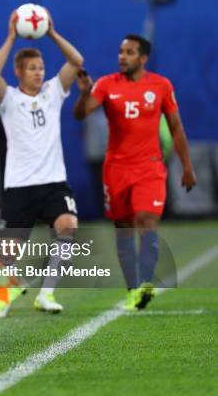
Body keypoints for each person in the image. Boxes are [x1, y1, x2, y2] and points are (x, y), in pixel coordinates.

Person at [73, 34, 196, 310]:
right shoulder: (106, 84)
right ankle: (133, 290)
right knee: (123, 229)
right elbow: (80, 114)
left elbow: (176, 126)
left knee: (146, 219)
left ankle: (146, 281)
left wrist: (187, 166)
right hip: (116, 169)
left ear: (143, 58)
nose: (122, 57)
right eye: (120, 51)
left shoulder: (161, 86)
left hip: (149, 167)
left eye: (129, 52)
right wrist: (83, 93)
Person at [0, 11, 84, 314]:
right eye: (32, 68)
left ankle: (47, 294)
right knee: (10, 249)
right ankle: (0, 295)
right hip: (20, 183)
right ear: (18, 71)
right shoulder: (9, 98)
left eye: (41, 68)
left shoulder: (54, 93)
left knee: (67, 225)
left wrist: (53, 34)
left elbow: (76, 62)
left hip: (54, 181)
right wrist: (11, 38)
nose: (39, 73)